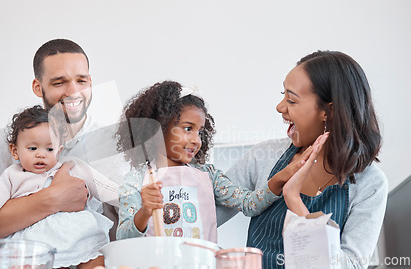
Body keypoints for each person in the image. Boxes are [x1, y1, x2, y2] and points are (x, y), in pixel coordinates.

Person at [226, 50, 387, 269]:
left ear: (328, 111)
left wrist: (295, 202)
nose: (280, 107)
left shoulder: (370, 183)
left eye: (291, 100)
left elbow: (350, 265)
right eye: (283, 95)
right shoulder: (263, 156)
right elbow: (204, 211)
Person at [0, 39, 126, 245]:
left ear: (90, 82)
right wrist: (53, 198)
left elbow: (134, 218)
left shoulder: (116, 143)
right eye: (59, 82)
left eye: (81, 81)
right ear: (38, 87)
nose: (73, 91)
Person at [114, 81, 322, 242]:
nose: (196, 140)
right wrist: (145, 212)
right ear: (158, 128)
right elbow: (123, 237)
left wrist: (284, 175)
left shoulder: (207, 175)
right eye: (188, 128)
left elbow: (249, 204)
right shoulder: (136, 181)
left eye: (200, 131)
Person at [0, 105, 114, 268]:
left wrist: (132, 198)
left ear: (59, 150)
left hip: (75, 231)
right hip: (35, 241)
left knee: (93, 253)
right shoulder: (13, 176)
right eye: (33, 148)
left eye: (50, 148)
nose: (41, 154)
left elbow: (105, 187)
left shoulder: (71, 166)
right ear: (14, 151)